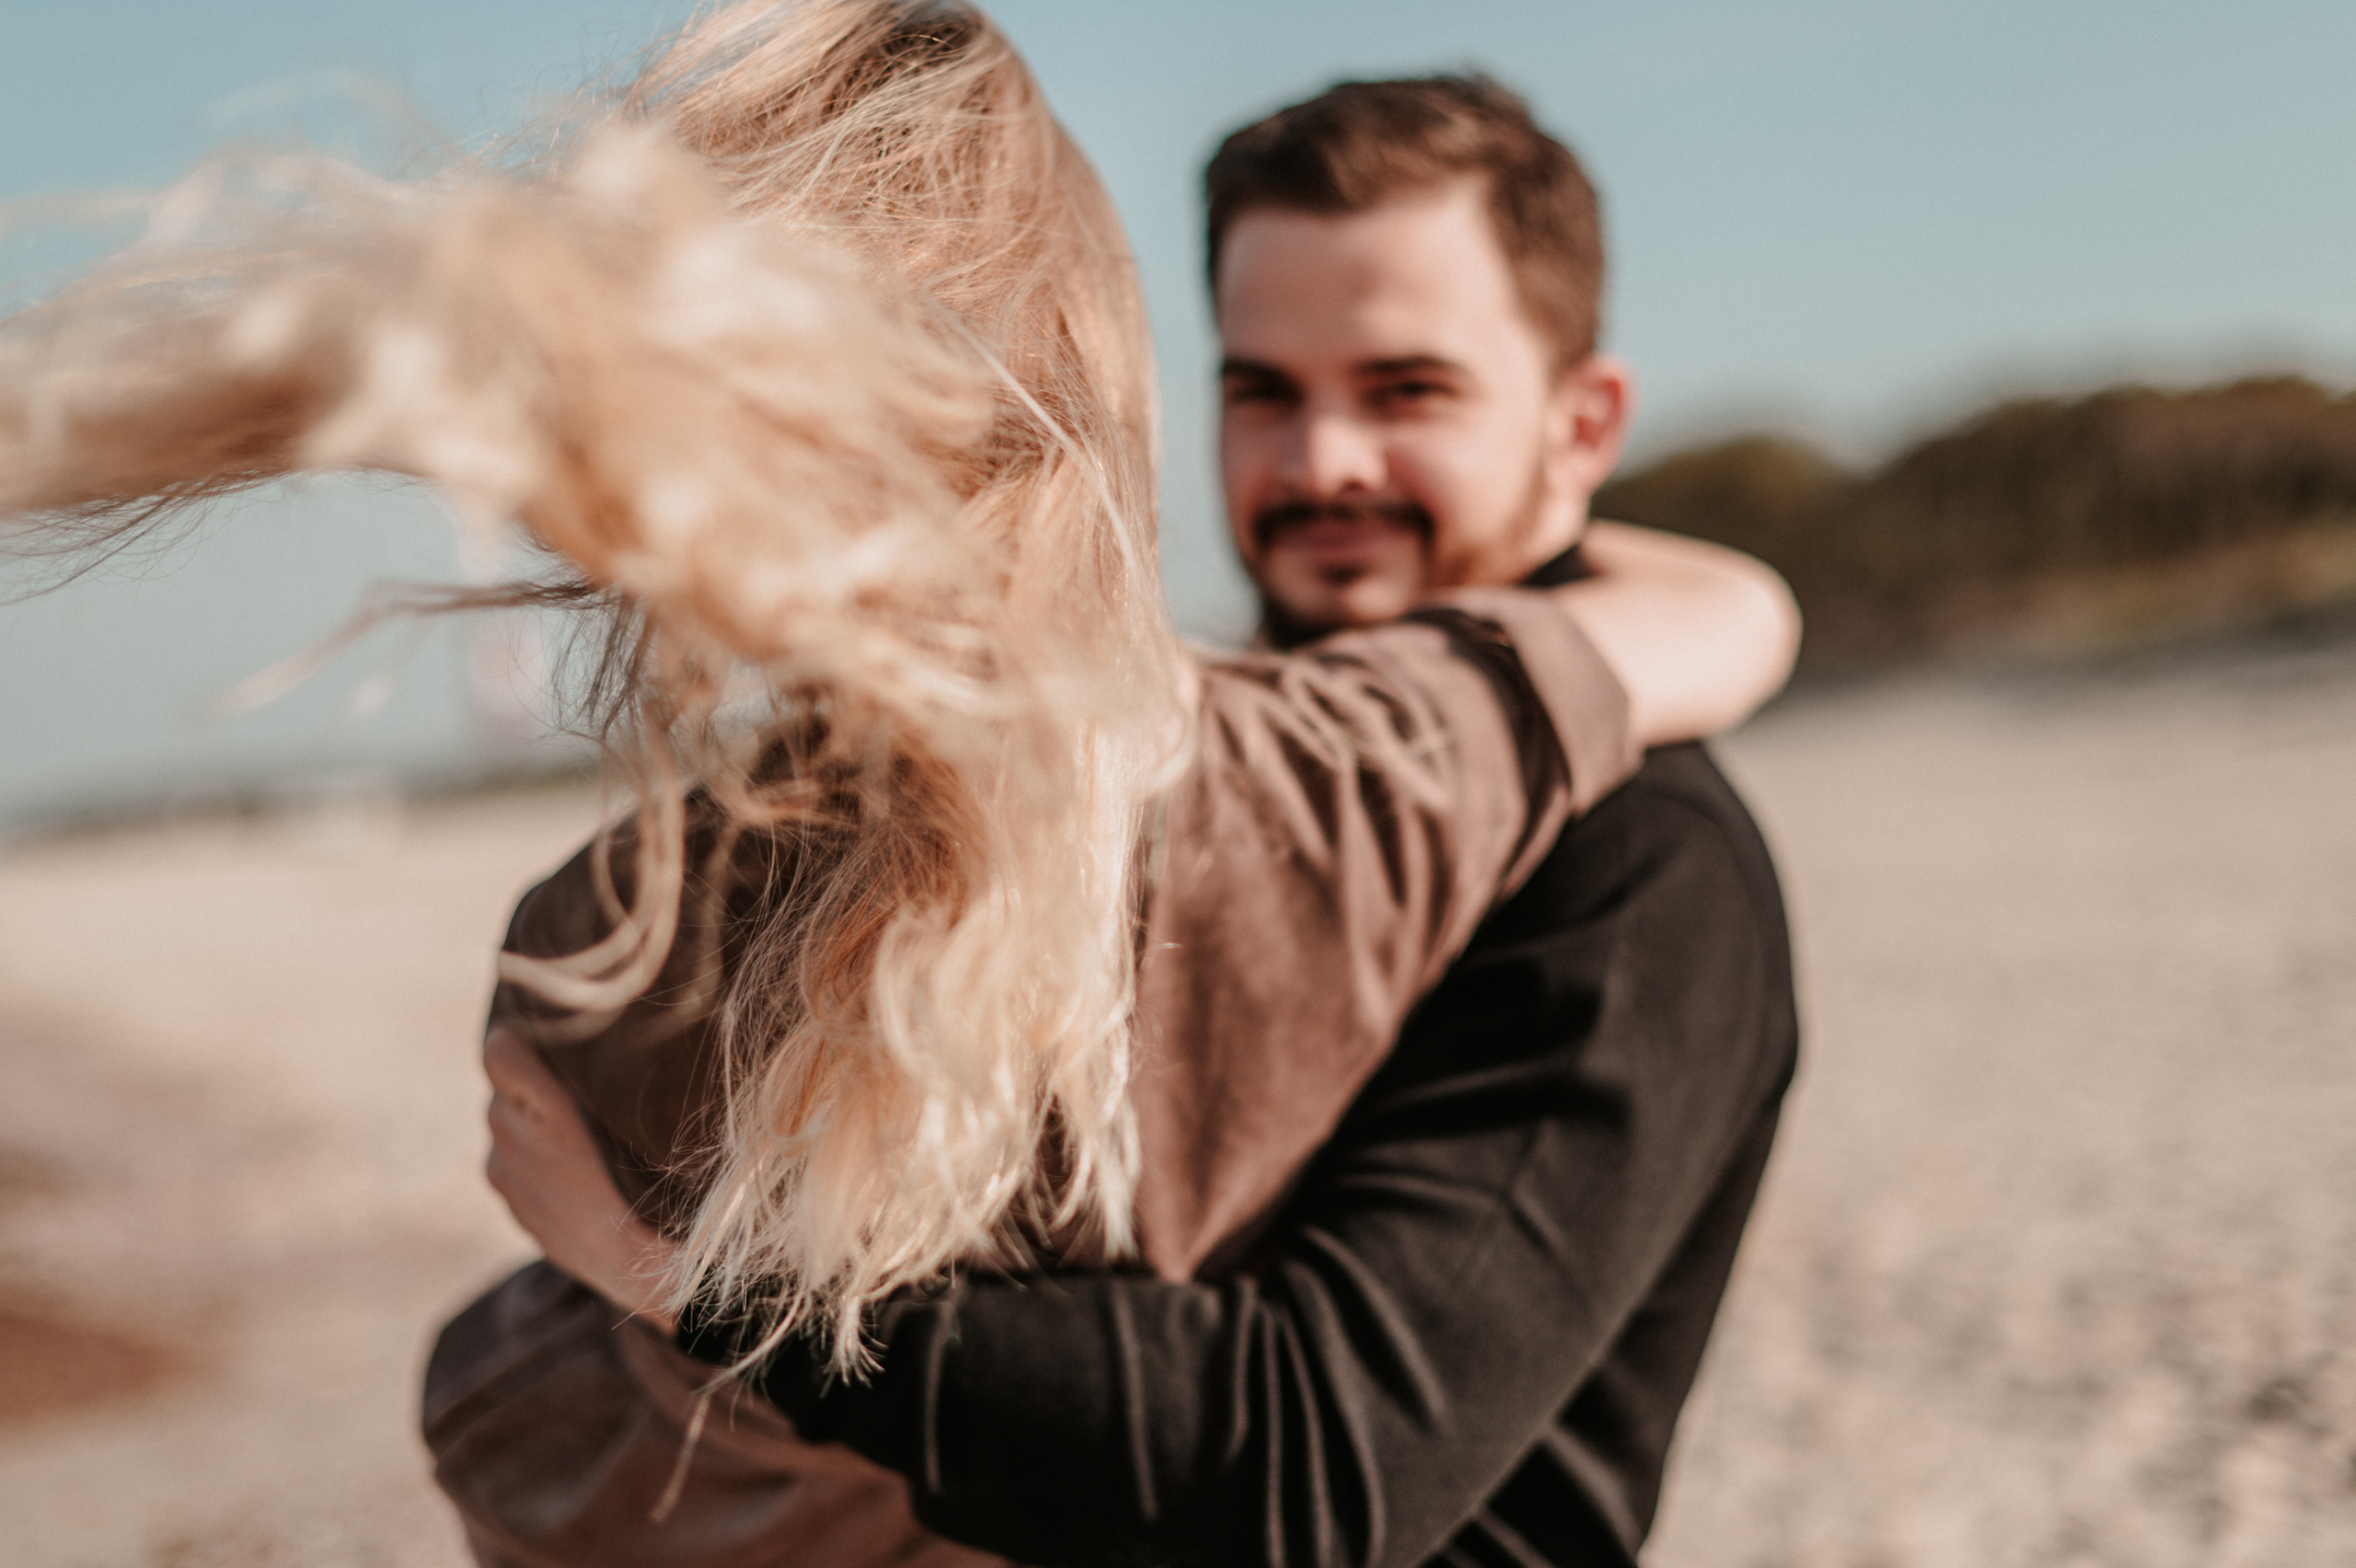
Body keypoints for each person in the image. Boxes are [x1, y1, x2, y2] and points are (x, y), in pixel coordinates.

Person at [486, 64, 1798, 1568]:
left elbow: (1321, 1457)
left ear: (1583, 426)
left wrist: (703, 1291)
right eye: (1265, 390)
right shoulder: (1206, 783)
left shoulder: (1637, 858)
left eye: (1406, 392)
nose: (1323, 465)